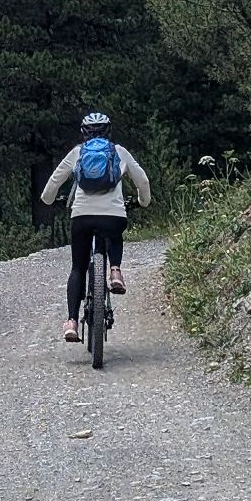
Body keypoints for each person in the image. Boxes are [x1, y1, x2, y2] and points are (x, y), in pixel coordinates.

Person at [41, 111, 150, 344]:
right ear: (109, 131)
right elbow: (142, 180)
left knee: (78, 268)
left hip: (81, 215)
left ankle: (71, 322)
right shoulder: (119, 152)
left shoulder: (77, 153)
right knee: (114, 232)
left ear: (84, 133)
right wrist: (143, 201)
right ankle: (116, 270)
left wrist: (49, 200)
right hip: (113, 215)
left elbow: (54, 181)